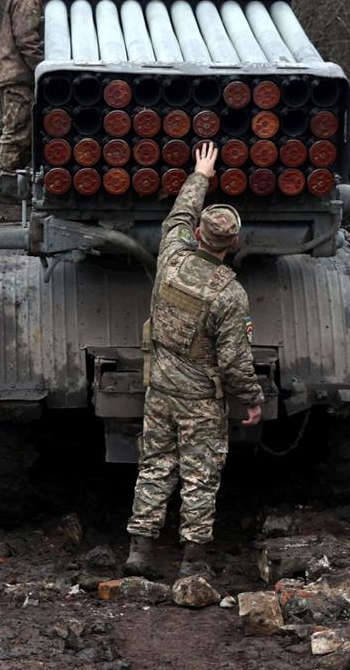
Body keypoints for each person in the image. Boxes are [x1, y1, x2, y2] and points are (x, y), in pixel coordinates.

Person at [124, 142, 265, 580]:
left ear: (199, 235)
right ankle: (193, 560)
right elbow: (234, 361)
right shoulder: (229, 294)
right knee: (199, 476)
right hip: (201, 400)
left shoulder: (171, 258)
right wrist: (252, 399)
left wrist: (201, 174)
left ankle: (140, 552)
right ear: (234, 243)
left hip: (160, 389)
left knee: (155, 466)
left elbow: (178, 216)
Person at [0, 0, 66, 181]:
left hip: (17, 75)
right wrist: (46, 72)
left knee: (23, 133)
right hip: (18, 77)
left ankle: (14, 182)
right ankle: (8, 183)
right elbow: (27, 40)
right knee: (17, 133)